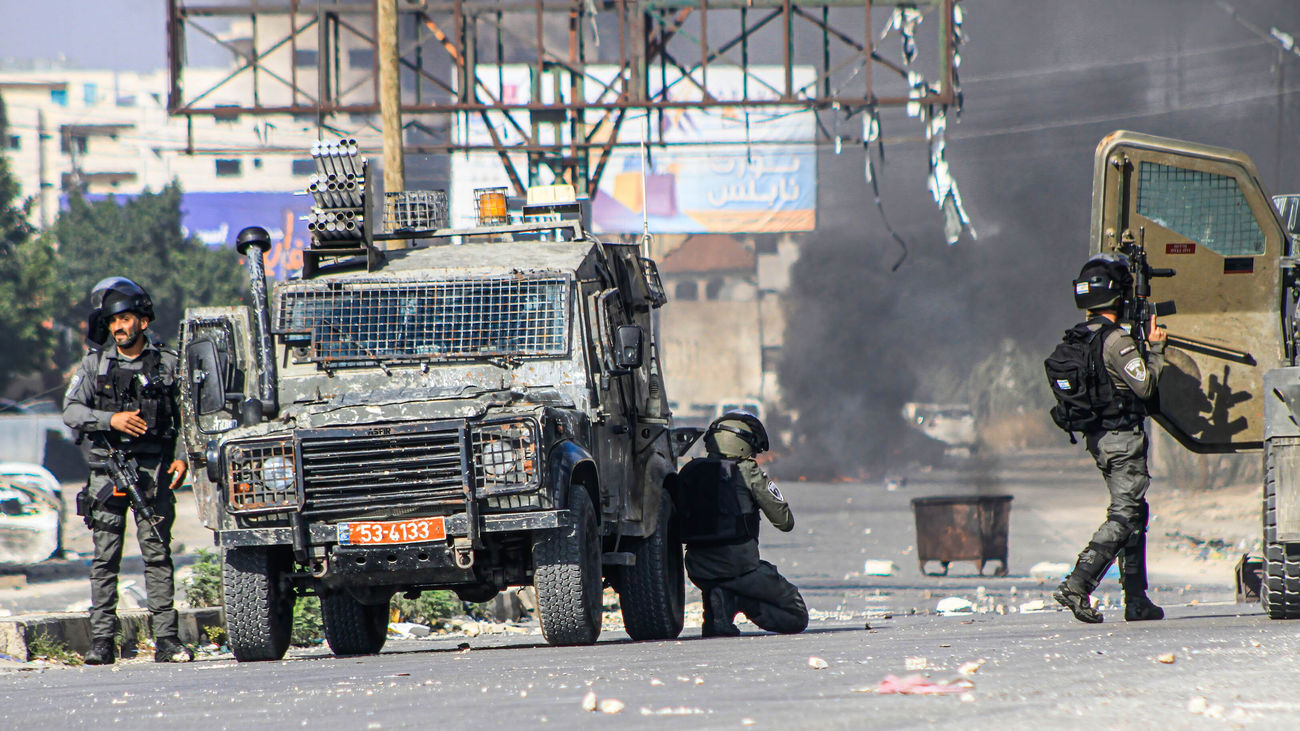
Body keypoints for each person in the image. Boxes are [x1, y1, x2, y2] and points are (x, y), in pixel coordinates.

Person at [63, 278, 192, 664]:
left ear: (143, 322)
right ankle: (102, 641)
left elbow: (187, 416)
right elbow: (70, 411)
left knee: (157, 554)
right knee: (105, 560)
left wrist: (182, 455)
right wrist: (111, 419)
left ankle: (166, 639)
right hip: (108, 472)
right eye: (113, 321)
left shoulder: (168, 363)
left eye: (126, 319)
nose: (119, 327)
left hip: (153, 471)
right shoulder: (94, 364)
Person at [1052, 254, 1167, 624]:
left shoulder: (1078, 337)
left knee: (1135, 511)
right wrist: (1156, 348)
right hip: (1122, 440)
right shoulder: (1117, 341)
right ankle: (1078, 583)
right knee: (1125, 514)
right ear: (1117, 299)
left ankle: (1136, 599)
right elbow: (1145, 386)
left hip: (1099, 438)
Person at [674, 411, 808, 637]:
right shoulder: (748, 471)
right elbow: (785, 522)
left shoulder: (689, 471)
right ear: (742, 444)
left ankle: (719, 609)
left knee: (719, 596)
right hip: (740, 567)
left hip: (699, 568)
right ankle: (733, 597)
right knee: (796, 616)